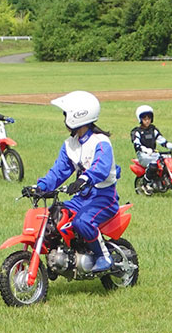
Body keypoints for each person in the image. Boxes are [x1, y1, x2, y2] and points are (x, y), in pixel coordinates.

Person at [24, 91, 119, 272]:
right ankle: (63, 258)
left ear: (78, 116)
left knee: (81, 222)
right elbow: (59, 170)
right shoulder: (70, 144)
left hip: (104, 197)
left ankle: (103, 257)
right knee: (54, 217)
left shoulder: (100, 141)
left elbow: (101, 167)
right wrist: (41, 186)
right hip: (82, 198)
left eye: (66, 114)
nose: (64, 118)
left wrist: (84, 179)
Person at [131, 105, 172, 193]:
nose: (147, 121)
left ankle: (165, 180)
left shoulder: (153, 130)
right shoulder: (136, 132)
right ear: (140, 119)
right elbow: (137, 145)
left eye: (149, 118)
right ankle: (145, 183)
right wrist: (146, 150)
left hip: (154, 153)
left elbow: (162, 141)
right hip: (143, 155)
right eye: (144, 118)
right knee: (154, 165)